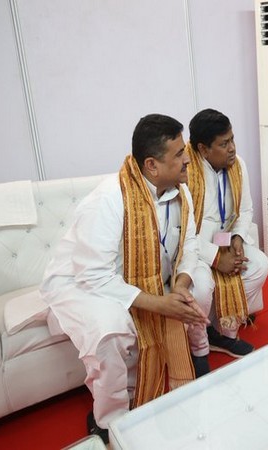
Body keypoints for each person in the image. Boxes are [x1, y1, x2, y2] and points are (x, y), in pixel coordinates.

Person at [40, 114, 211, 444]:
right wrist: (162, 305)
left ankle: (192, 361)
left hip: (128, 279)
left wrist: (180, 285)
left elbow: (190, 244)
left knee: (199, 286)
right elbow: (94, 275)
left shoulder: (181, 191)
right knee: (111, 329)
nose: (187, 159)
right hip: (78, 281)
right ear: (152, 165)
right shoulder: (109, 200)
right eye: (178, 154)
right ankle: (110, 421)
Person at [185, 108, 268, 359]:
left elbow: (246, 209)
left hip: (226, 236)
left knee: (259, 265)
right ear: (203, 149)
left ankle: (223, 333)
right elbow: (183, 232)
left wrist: (238, 238)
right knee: (201, 288)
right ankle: (199, 344)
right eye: (224, 144)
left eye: (232, 139)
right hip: (196, 244)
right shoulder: (185, 173)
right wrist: (216, 258)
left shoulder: (237, 164)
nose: (232, 148)